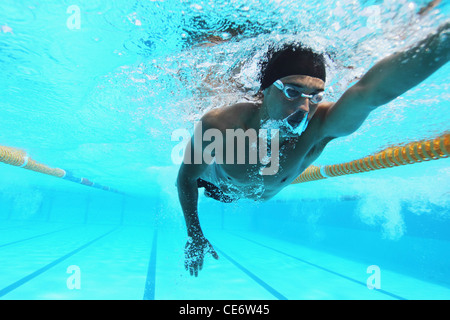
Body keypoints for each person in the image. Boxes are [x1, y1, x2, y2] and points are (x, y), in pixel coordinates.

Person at [177, 22, 449, 277]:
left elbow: (371, 92)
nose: (304, 109)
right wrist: (194, 233)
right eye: (292, 92)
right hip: (217, 184)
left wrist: (444, 40)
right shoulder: (221, 125)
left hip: (250, 188)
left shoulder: (319, 126)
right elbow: (187, 178)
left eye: (315, 96)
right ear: (266, 90)